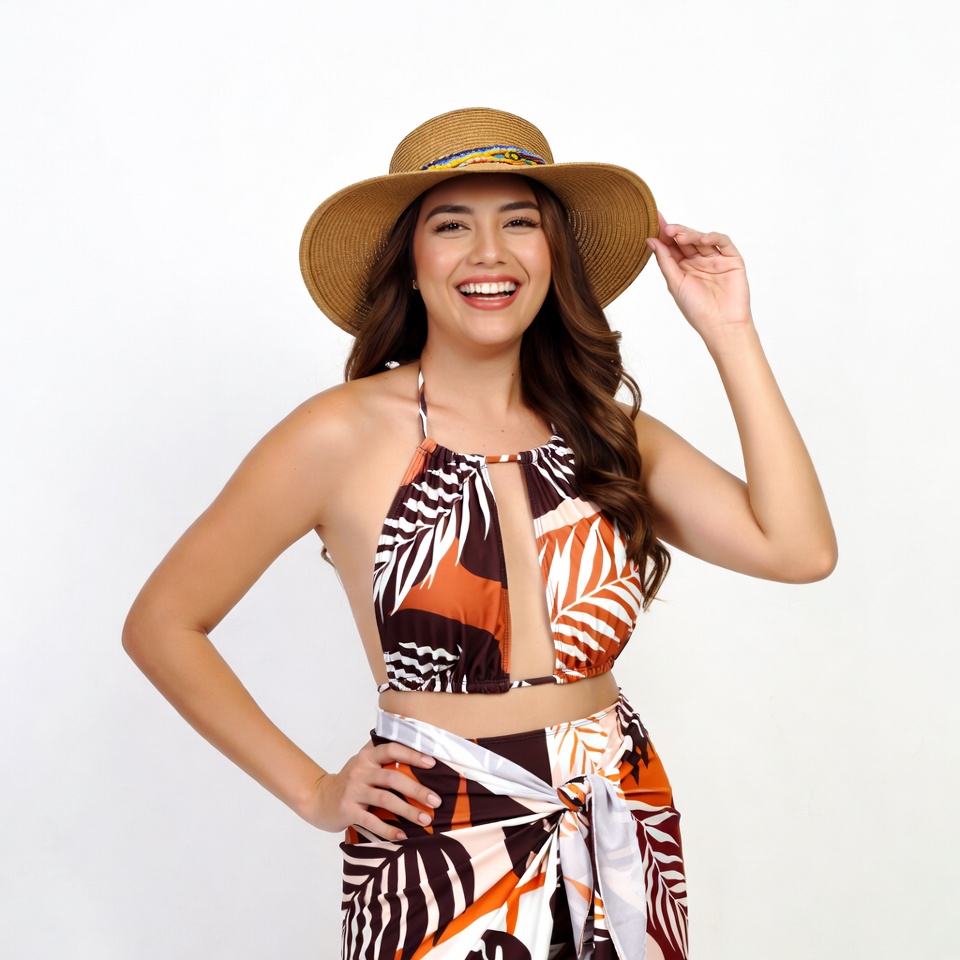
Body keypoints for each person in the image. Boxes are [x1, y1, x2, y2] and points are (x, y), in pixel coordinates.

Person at [123, 107, 836, 960]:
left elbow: (799, 550)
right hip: (437, 836)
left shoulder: (605, 432)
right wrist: (313, 791)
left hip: (618, 808)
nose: (489, 253)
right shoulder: (338, 434)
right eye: (452, 225)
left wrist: (730, 333)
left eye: (520, 222)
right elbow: (163, 623)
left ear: (554, 256)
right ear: (410, 261)